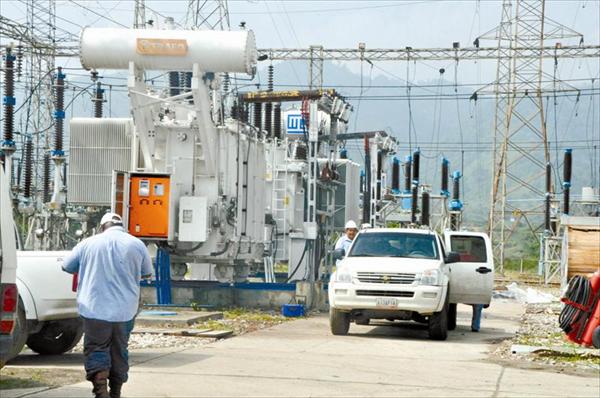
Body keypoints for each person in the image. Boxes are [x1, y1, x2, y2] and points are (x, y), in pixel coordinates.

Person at [63, 213, 152, 398]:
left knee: (96, 347)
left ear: (102, 227)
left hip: (94, 308)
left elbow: (67, 266)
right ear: (122, 226)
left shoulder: (88, 243)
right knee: (120, 349)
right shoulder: (136, 244)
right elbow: (146, 273)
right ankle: (116, 392)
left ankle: (100, 391)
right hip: (125, 311)